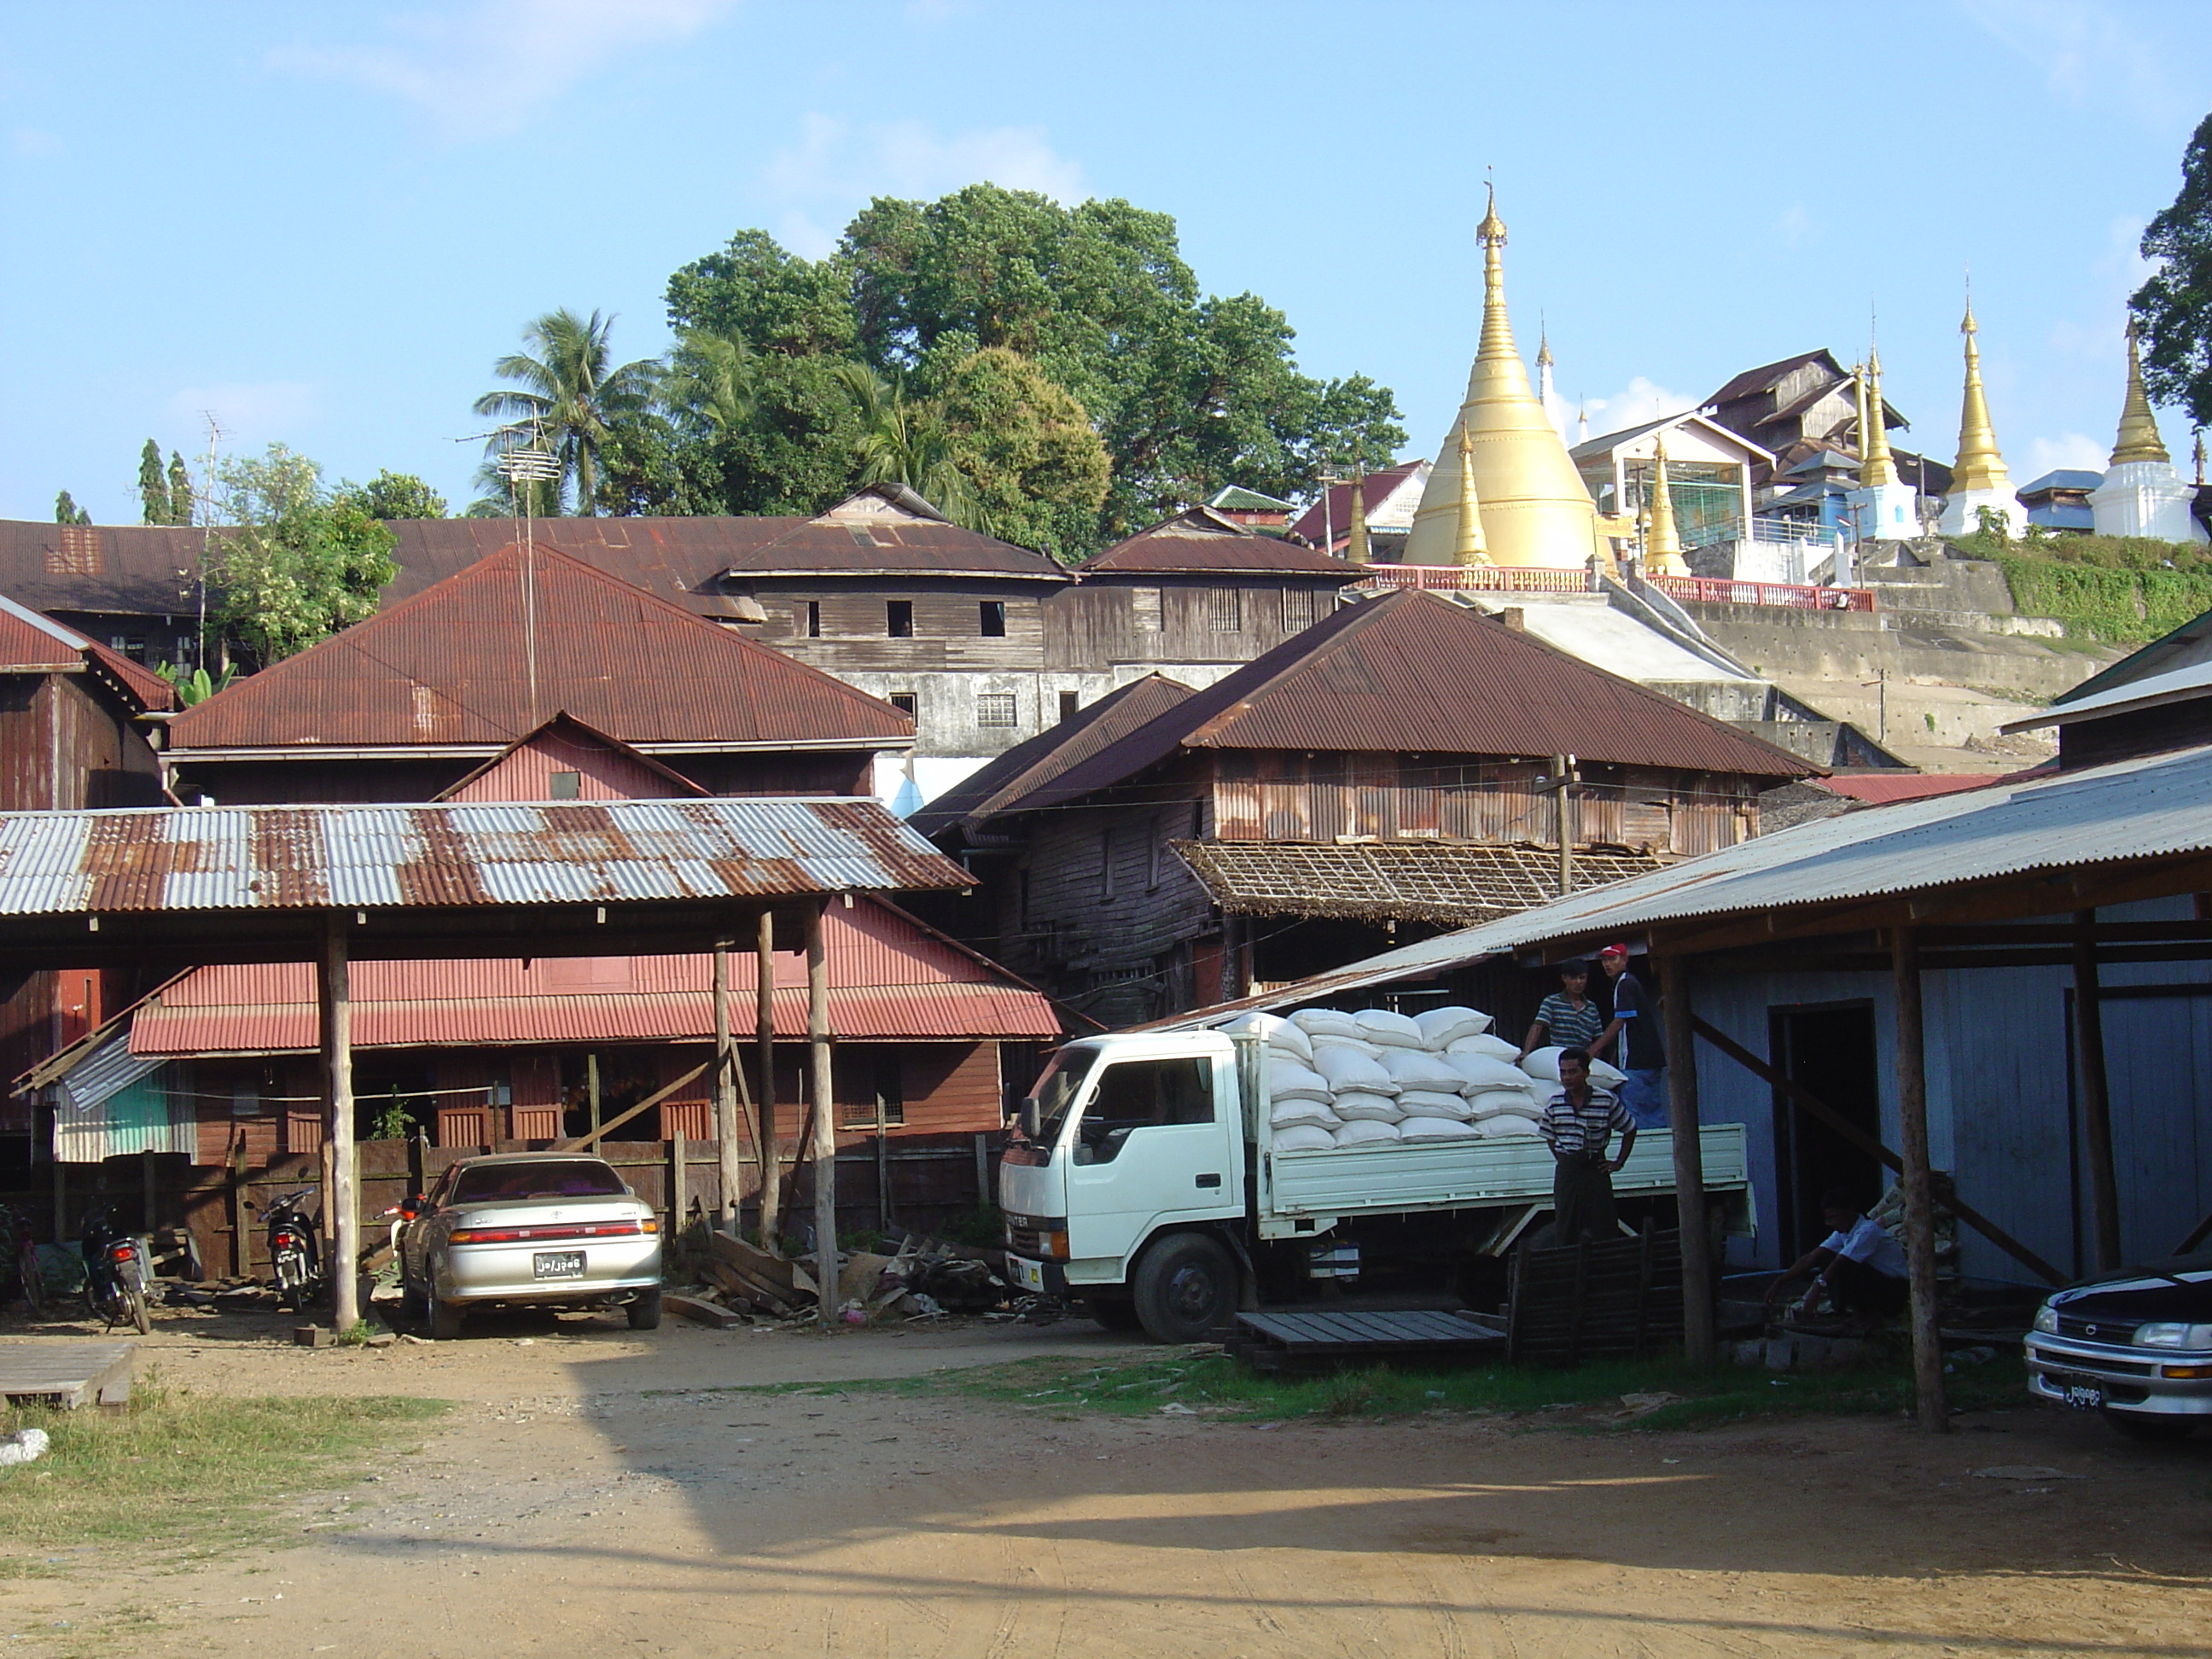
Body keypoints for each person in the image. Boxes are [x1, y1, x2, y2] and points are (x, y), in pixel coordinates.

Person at [1762, 1187, 1911, 1329]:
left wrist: (1816, 1291)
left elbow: (1842, 1262)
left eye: (1834, 1217)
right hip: (1879, 1285)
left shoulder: (1868, 1230)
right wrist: (1779, 1282)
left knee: (1843, 1265)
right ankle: (1854, 1313)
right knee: (1827, 1258)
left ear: (1850, 1211)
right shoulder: (1843, 1233)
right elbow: (1812, 1257)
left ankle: (1868, 1317)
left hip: (1894, 1291)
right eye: (1828, 1219)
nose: (1831, 1224)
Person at [1538, 1047, 1635, 1245]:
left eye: (1573, 1072)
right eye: (1563, 1072)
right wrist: (1564, 1159)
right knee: (1566, 1226)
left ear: (1586, 1073)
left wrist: (1618, 1162)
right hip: (1568, 1171)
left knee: (1603, 1226)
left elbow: (1629, 1128)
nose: (1567, 1078)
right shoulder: (1555, 1103)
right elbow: (1549, 1135)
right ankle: (1569, 1270)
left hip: (1595, 1168)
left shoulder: (1605, 1100)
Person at [1592, 942, 1668, 1131]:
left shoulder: (1625, 984)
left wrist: (1594, 1049)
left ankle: (1646, 1153)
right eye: (1604, 960)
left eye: (1612, 959)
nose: (1607, 964)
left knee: (1638, 1115)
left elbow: (1620, 1021)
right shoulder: (1626, 983)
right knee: (1651, 1110)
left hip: (1637, 1061)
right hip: (1647, 1060)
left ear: (1625, 960)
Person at [1519, 959, 1604, 1060]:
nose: (1578, 982)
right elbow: (1538, 1027)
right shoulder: (1552, 1002)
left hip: (1582, 1060)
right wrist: (1526, 1052)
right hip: (1559, 1058)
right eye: (1573, 978)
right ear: (1564, 978)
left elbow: (1599, 1039)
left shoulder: (1591, 1008)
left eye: (1582, 978)